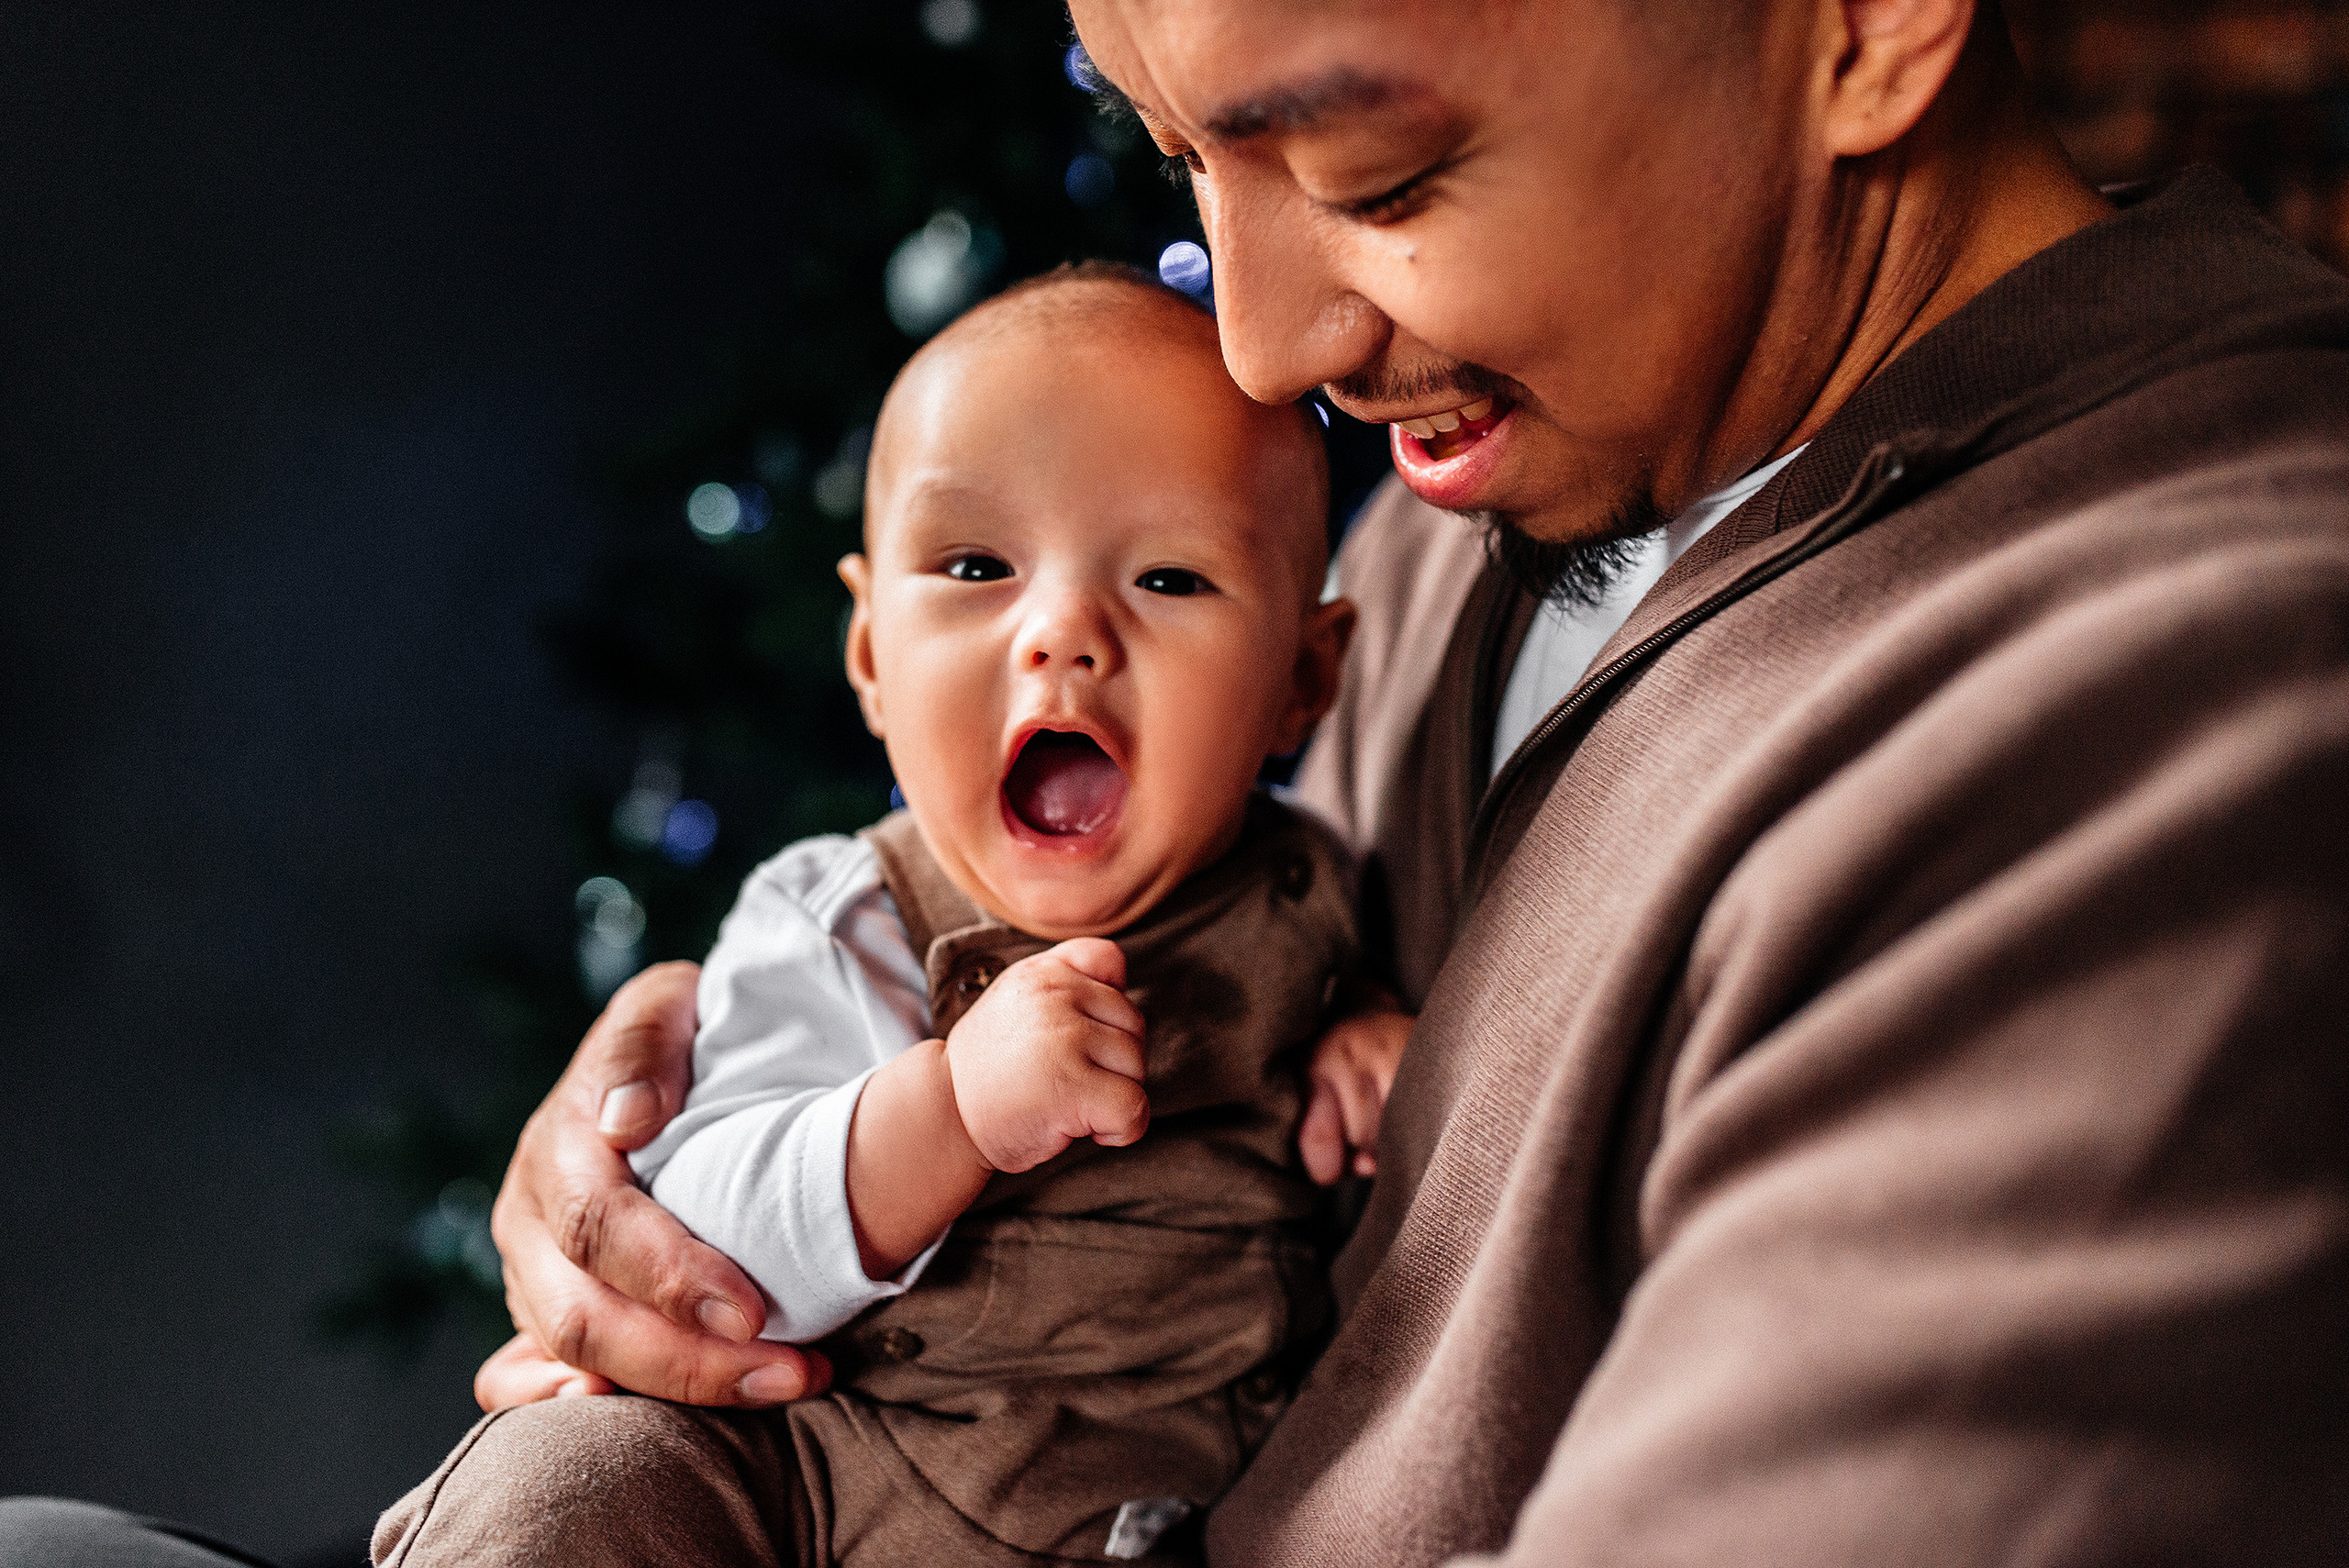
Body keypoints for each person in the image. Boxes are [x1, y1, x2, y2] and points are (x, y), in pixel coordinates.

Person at [13, 0, 2349, 1559]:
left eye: (1374, 171)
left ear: (1858, 21)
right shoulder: (1537, 501)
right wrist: (717, 1157)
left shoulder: (2201, 719)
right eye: (1171, 154)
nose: (1261, 348)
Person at [371, 261, 1378, 1566]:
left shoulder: (1318, 899)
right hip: (790, 1473)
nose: (1062, 633)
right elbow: (696, 1249)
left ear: (1304, 676)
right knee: (573, 1483)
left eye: (1171, 579)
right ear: (867, 656)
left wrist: (1372, 1044)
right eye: (975, 566)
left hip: (1116, 1519)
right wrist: (952, 1108)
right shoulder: (844, 916)